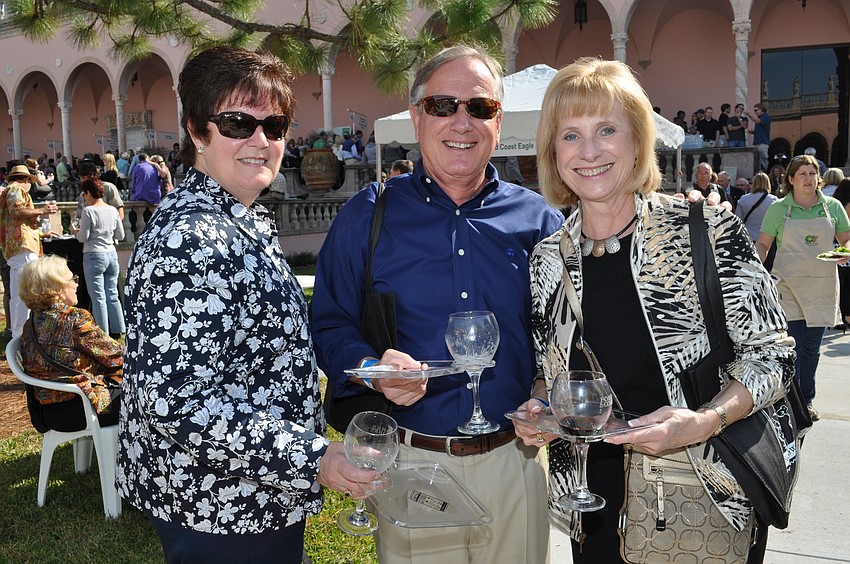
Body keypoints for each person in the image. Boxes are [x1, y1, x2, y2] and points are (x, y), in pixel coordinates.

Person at [517, 57, 796, 563]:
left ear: (638, 140)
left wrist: (705, 420)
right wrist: (540, 406)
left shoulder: (706, 233)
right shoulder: (548, 260)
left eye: (607, 129)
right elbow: (549, 372)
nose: (590, 151)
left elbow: (774, 358)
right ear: (552, 152)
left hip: (704, 498)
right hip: (594, 507)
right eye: (570, 135)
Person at [115, 46, 379, 562]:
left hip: (250, 497)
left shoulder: (234, 219)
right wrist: (315, 455)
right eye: (238, 123)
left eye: (274, 126)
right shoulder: (189, 240)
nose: (261, 141)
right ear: (196, 129)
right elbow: (176, 402)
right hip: (219, 510)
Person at [311, 45, 563, 563]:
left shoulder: (539, 221)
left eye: (480, 107)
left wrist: (546, 392)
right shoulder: (368, 215)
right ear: (416, 116)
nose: (461, 122)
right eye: (443, 105)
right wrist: (372, 367)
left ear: (498, 120)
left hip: (513, 463)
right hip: (412, 465)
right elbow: (330, 323)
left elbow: (566, 334)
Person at [755, 154, 850, 421]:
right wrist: (755, 264)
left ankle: (805, 401)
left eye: (813, 173)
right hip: (788, 286)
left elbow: (846, 238)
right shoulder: (778, 209)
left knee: (811, 348)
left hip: (821, 286)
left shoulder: (832, 207)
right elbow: (763, 244)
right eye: (803, 174)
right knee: (792, 347)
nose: (809, 179)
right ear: (791, 179)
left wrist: (846, 250)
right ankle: (788, 401)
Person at [18, 255, 123, 431]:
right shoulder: (74, 318)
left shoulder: (31, 323)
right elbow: (117, 357)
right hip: (85, 409)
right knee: (147, 397)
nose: (76, 284)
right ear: (56, 287)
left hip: (48, 414)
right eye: (72, 279)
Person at [0, 165, 58, 338]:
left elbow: (15, 220)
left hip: (17, 246)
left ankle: (21, 334)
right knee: (24, 293)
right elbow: (16, 212)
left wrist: (40, 232)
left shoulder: (9, 190)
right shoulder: (16, 189)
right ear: (25, 180)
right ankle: (22, 335)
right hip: (22, 247)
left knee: (19, 293)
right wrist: (43, 210)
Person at [74, 177, 125, 338]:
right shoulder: (112, 210)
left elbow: (83, 237)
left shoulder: (88, 211)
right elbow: (121, 234)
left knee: (98, 296)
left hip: (94, 254)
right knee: (112, 294)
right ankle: (119, 328)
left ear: (88, 193)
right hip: (111, 253)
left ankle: (103, 332)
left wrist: (75, 231)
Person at [735, 172, 777, 242]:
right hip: (767, 237)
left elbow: (738, 219)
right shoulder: (773, 200)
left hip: (748, 236)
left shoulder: (744, 199)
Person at [831, 178, 850, 332]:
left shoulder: (834, 203)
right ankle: (846, 316)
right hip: (844, 245)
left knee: (839, 282)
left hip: (834, 245)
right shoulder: (848, 205)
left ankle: (839, 317)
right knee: (846, 283)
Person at [746, 103, 771, 171]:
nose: (755, 112)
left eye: (756, 110)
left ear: (761, 109)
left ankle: (765, 172)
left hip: (763, 142)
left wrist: (749, 115)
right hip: (757, 142)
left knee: (763, 159)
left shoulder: (766, 117)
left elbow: (757, 121)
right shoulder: (760, 118)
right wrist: (753, 132)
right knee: (757, 160)